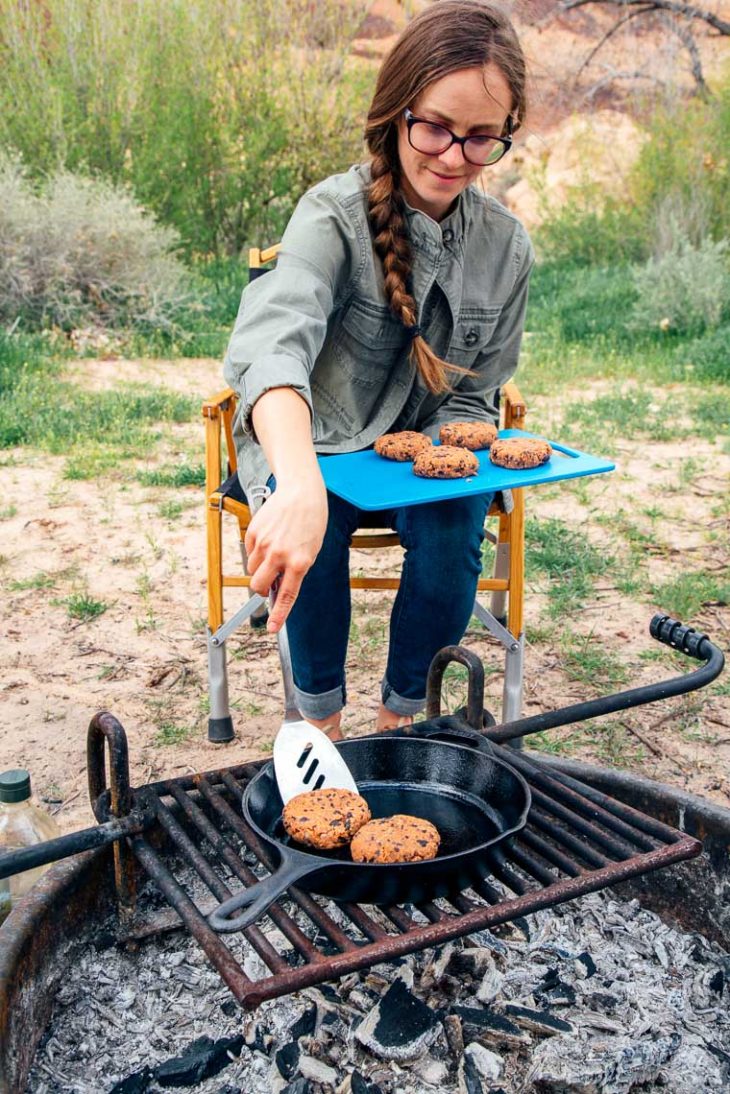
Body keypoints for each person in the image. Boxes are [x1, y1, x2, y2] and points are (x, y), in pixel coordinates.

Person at [223, 0, 533, 739]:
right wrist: (296, 483)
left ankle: (401, 722)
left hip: (415, 464)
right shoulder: (331, 215)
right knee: (315, 522)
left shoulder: (507, 248)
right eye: (434, 126)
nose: (454, 156)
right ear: (395, 113)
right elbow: (272, 350)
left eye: (482, 137)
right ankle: (319, 724)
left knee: (457, 517)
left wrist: (461, 438)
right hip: (316, 444)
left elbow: (480, 392)